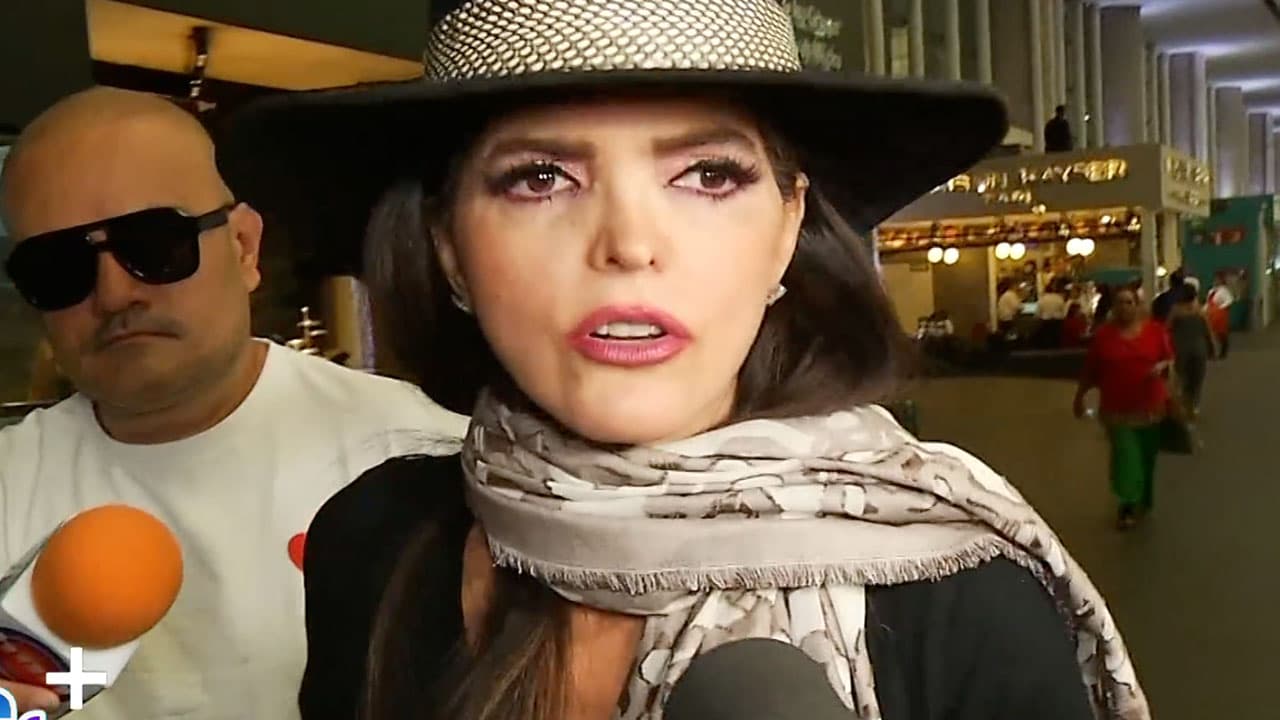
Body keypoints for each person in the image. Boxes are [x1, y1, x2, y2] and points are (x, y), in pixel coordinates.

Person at [228, 1, 1148, 719]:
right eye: (540, 178)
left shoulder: (966, 601)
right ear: (449, 250)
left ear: (787, 227)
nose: (630, 244)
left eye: (708, 175)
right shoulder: (373, 540)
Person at [0, 88, 468, 718]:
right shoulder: (8, 483)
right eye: (58, 267)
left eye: (156, 243)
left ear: (245, 247)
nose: (114, 294)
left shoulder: (429, 459)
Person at [1073, 287, 1173, 530]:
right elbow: (1091, 370)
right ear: (1113, 307)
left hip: (1150, 408)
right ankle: (1127, 504)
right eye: (1120, 302)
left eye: (1129, 302)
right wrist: (1080, 397)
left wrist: (1161, 368)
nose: (1124, 307)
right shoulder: (1104, 336)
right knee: (1126, 457)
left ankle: (1143, 500)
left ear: (1138, 306)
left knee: (1146, 458)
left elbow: (1169, 358)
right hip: (1117, 410)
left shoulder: (1155, 331)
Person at [1167, 283, 1216, 415]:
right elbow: (1208, 330)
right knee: (1197, 378)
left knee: (1181, 377)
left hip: (1180, 349)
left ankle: (1182, 402)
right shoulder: (1199, 310)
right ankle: (1194, 404)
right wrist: (1212, 347)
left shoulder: (1176, 310)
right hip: (1199, 348)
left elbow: (1167, 328)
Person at [1207, 271, 1234, 357]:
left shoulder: (1224, 291)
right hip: (1211, 313)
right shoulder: (1211, 291)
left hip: (1220, 314)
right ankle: (1211, 352)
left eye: (1217, 279)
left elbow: (1229, 300)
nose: (1215, 281)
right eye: (1215, 279)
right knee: (1210, 333)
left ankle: (1223, 350)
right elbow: (1208, 302)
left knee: (1221, 333)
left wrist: (1220, 308)